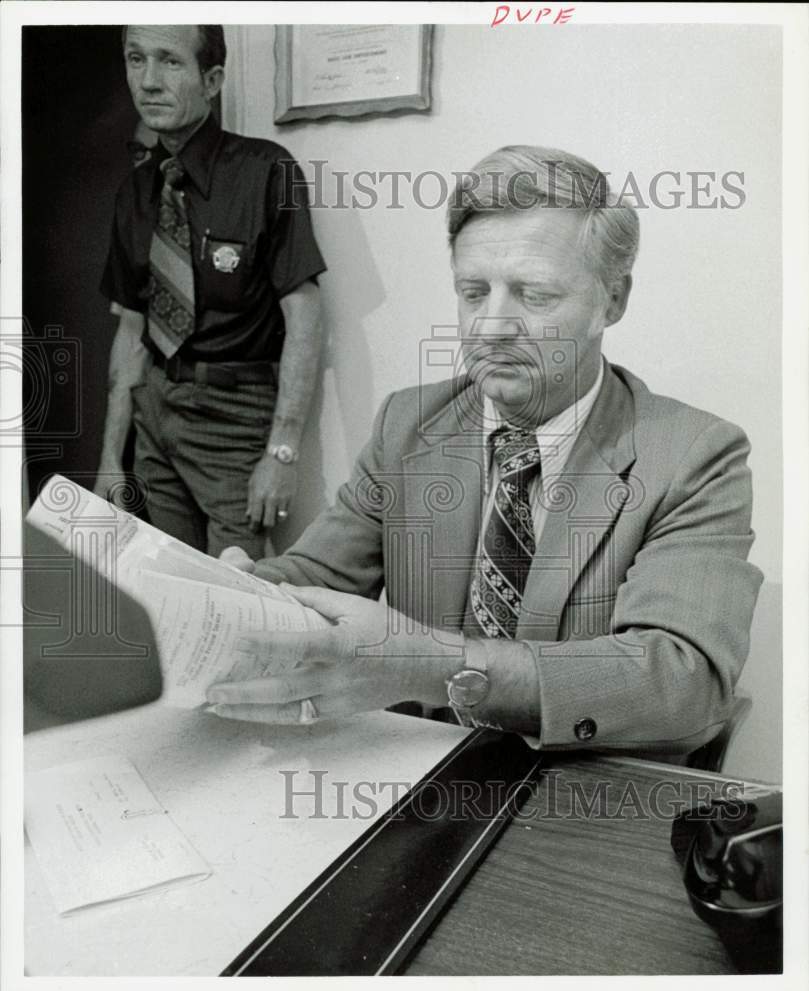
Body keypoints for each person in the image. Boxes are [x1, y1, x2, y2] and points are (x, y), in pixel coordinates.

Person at [207, 145, 763, 756]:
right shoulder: (408, 423)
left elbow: (682, 683)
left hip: (578, 792)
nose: (490, 326)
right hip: (412, 774)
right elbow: (318, 577)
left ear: (612, 300)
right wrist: (240, 592)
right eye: (474, 292)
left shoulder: (694, 456)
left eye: (535, 296)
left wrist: (434, 666)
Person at [94, 25, 325, 559]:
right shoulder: (134, 192)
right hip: (154, 411)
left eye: (170, 62)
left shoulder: (266, 170)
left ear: (214, 78)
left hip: (233, 418)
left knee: (238, 588)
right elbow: (130, 331)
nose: (148, 81)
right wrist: (110, 457)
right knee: (171, 582)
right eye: (136, 59)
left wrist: (282, 454)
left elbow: (306, 317)